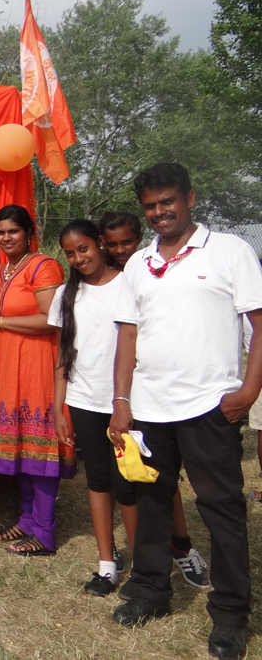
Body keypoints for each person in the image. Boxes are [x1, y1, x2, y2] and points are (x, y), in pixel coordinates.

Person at [107, 163, 262, 660]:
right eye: (150, 206)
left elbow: (259, 323)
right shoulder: (139, 263)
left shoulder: (229, 251)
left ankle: (231, 614)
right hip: (150, 407)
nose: (159, 212)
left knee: (221, 507)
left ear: (190, 198)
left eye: (167, 201)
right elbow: (128, 334)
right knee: (152, 501)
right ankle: (151, 590)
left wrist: (249, 390)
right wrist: (121, 402)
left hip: (210, 406)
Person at [98, 210, 211, 593]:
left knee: (158, 478)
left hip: (145, 394)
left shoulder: (152, 272)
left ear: (140, 237)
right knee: (125, 482)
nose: (120, 250)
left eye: (127, 242)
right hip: (103, 396)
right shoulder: (95, 279)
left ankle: (181, 546)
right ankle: (142, 562)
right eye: (112, 244)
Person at [0, 205, 73, 556]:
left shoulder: (43, 266)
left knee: (39, 444)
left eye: (13, 231)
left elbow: (52, 319)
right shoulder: (1, 271)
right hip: (7, 368)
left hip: (36, 365)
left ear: (28, 233)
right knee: (20, 443)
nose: (6, 238)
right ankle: (28, 519)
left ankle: (45, 531)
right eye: (0, 233)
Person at [47, 219, 133, 596]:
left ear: (100, 243)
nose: (78, 258)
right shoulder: (67, 294)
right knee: (97, 480)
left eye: (83, 248)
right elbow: (63, 353)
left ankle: (144, 567)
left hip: (124, 402)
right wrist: (58, 405)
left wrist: (124, 401)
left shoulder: (129, 285)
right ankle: (106, 564)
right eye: (70, 253)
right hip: (83, 400)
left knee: (128, 483)